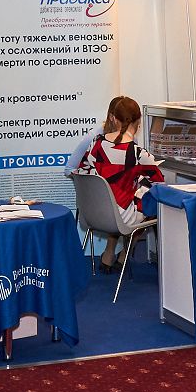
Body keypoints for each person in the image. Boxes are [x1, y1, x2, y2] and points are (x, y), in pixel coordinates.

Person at [72, 96, 164, 270]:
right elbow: (159, 183)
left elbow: (82, 171)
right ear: (138, 121)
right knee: (153, 202)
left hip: (94, 214)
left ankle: (113, 255)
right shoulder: (138, 154)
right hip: (122, 218)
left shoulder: (96, 144)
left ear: (113, 118)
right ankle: (125, 255)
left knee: (124, 195)